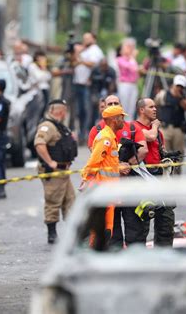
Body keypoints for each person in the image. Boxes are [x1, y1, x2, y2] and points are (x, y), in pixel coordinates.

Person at [80, 105, 126, 246]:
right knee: (100, 230)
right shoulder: (105, 138)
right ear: (114, 120)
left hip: (108, 191)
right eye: (121, 117)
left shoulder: (110, 137)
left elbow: (106, 164)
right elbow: (93, 163)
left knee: (107, 230)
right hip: (102, 191)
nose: (123, 120)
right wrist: (86, 181)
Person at [34, 99, 77, 244]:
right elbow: (39, 144)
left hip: (64, 171)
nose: (66, 114)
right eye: (65, 110)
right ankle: (51, 234)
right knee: (53, 200)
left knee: (70, 200)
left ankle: (73, 233)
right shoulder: (47, 126)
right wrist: (50, 162)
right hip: (54, 171)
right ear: (60, 111)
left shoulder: (59, 126)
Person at [134, 98, 175, 246]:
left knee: (166, 220)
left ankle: (163, 254)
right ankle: (139, 258)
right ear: (141, 110)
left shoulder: (158, 132)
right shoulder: (134, 127)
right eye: (151, 107)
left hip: (159, 177)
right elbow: (150, 136)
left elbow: (159, 148)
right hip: (143, 178)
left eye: (155, 107)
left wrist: (168, 157)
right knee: (142, 223)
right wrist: (156, 125)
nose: (155, 109)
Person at [154, 74, 186, 174]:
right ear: (173, 85)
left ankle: (177, 177)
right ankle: (167, 177)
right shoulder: (164, 94)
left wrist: (180, 98)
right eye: (177, 86)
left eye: (181, 87)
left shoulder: (184, 97)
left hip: (178, 129)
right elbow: (154, 105)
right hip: (165, 128)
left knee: (178, 155)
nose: (179, 88)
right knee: (165, 155)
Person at [73, 32, 104, 142]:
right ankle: (81, 133)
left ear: (93, 39)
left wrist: (81, 60)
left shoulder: (95, 50)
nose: (85, 40)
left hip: (89, 86)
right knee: (80, 111)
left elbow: (93, 63)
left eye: (87, 38)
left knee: (88, 111)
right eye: (84, 38)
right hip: (78, 83)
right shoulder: (83, 50)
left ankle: (88, 134)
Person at [117, 38, 140, 119]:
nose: (130, 49)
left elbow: (136, 71)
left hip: (133, 85)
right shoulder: (120, 59)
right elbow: (132, 68)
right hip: (124, 84)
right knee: (124, 106)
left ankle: (129, 124)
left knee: (132, 107)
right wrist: (133, 57)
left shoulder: (132, 59)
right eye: (127, 47)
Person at [89, 59, 117, 125]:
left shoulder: (111, 71)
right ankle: (91, 125)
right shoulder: (95, 70)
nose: (103, 68)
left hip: (107, 92)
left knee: (106, 108)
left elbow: (113, 84)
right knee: (93, 108)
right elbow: (89, 80)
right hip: (95, 91)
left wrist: (109, 96)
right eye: (102, 66)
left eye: (105, 66)